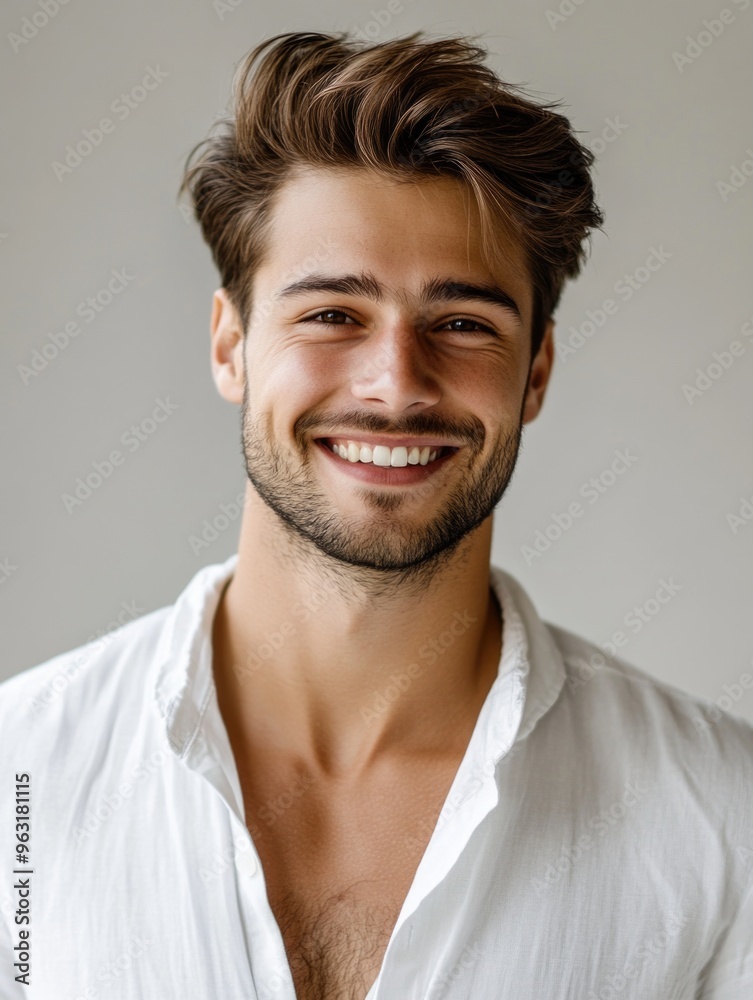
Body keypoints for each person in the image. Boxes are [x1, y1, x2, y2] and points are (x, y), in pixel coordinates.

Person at [1, 29, 751, 1000]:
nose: (396, 383)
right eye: (331, 314)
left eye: (463, 323)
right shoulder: (18, 779)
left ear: (538, 372)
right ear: (230, 344)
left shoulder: (724, 818)